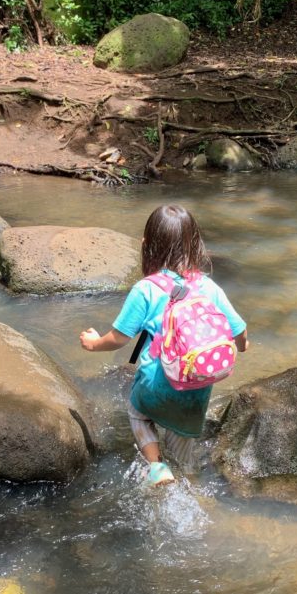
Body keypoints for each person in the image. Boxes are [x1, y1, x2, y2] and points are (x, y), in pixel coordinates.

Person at [80, 204, 248, 487]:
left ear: (146, 245)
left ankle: (157, 466)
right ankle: (189, 480)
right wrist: (242, 347)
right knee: (184, 446)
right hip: (195, 390)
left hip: (155, 386)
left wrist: (93, 343)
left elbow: (118, 338)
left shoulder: (146, 289)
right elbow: (240, 331)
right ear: (196, 244)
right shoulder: (208, 287)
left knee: (137, 414)